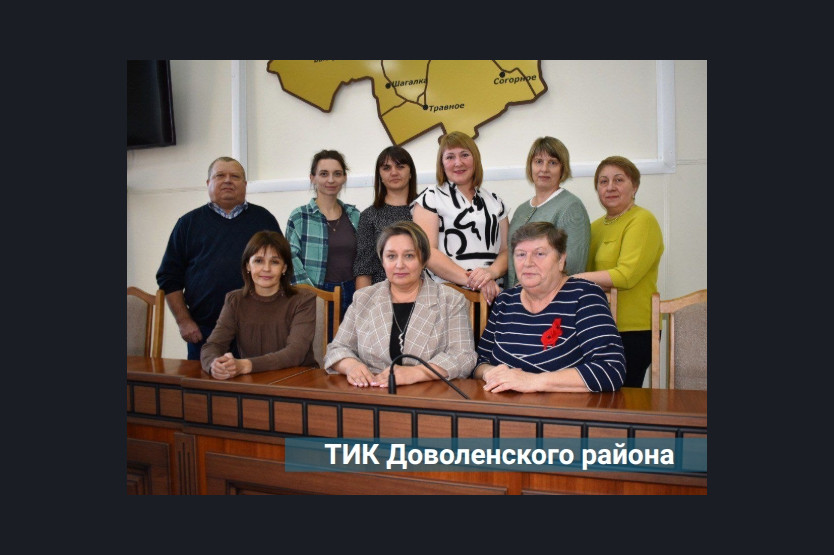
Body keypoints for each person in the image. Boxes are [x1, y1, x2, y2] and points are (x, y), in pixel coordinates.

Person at [473, 222, 625, 393]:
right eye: (521, 254)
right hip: (503, 405)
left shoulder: (585, 296)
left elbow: (610, 369)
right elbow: (480, 362)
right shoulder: (505, 301)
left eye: (540, 254)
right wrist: (489, 372)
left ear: (561, 260)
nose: (528, 263)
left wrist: (533, 381)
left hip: (562, 407)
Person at [156, 156, 282, 360]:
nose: (228, 180)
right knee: (203, 382)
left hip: (257, 330)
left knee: (257, 380)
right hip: (204, 332)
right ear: (208, 183)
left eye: (235, 176)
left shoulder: (264, 220)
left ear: (245, 184)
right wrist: (183, 321)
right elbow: (169, 278)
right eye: (220, 175)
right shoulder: (188, 224)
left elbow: (281, 270)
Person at [324, 221, 477, 387]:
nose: (399, 265)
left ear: (424, 260)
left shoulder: (450, 300)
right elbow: (337, 349)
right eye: (391, 256)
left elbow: (464, 357)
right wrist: (351, 366)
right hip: (372, 391)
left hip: (428, 391)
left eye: (409, 256)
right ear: (382, 261)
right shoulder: (363, 298)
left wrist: (417, 373)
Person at [573, 156, 664, 388]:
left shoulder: (642, 220)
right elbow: (588, 275)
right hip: (598, 326)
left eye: (619, 180)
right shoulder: (594, 227)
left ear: (635, 186)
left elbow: (625, 276)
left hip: (634, 330)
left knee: (624, 398)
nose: (610, 187)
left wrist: (569, 280)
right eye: (603, 181)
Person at [200, 231, 317, 379]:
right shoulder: (235, 300)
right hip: (254, 381)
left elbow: (295, 353)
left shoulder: (303, 300)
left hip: (299, 380)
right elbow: (213, 345)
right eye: (259, 261)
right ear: (248, 266)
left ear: (284, 268)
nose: (266, 269)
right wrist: (215, 365)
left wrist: (245, 365)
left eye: (274, 262)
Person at [411, 131, 508, 305]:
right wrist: (476, 282)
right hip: (446, 300)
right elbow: (427, 251)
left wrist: (491, 273)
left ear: (475, 159)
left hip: (493, 297)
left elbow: (506, 251)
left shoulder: (495, 201)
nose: (458, 163)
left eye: (464, 155)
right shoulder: (430, 198)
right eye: (450, 157)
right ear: (442, 164)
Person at [285, 149, 361, 329]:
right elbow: (290, 260)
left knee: (352, 344)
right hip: (315, 293)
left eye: (337, 174)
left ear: (344, 178)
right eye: (324, 174)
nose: (331, 180)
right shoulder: (299, 217)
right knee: (321, 344)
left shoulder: (355, 215)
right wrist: (313, 295)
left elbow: (364, 257)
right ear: (313, 178)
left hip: (353, 293)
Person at [506, 136, 590, 286]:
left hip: (552, 297)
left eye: (552, 163)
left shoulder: (571, 207)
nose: (544, 169)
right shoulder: (521, 210)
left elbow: (573, 266)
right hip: (515, 297)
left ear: (562, 169)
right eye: (538, 161)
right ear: (530, 166)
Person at [354, 146, 418, 289]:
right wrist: (363, 302)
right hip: (382, 295)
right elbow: (364, 269)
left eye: (400, 166)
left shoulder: (427, 209)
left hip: (424, 292)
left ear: (410, 173)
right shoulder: (369, 216)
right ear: (380, 176)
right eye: (386, 168)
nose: (394, 172)